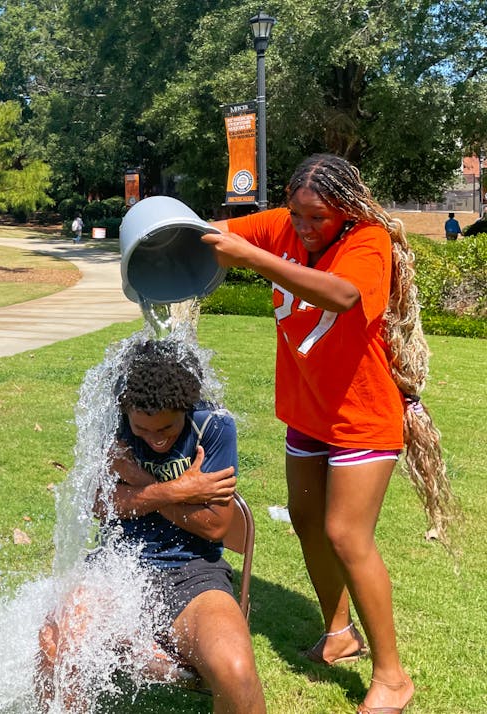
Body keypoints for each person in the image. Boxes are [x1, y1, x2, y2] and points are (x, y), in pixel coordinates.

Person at [201, 153, 456, 714]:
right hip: (308, 410)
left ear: (343, 211)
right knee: (305, 518)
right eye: (297, 214)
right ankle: (339, 633)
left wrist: (254, 259)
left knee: (346, 533)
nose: (304, 227)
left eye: (317, 217)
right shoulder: (282, 225)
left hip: (362, 412)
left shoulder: (368, 242)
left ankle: (392, 677)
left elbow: (341, 296)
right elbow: (212, 233)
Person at [36, 339, 266, 714]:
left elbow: (215, 526)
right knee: (54, 644)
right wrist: (180, 489)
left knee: (237, 672)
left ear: (185, 409)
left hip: (193, 574)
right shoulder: (112, 423)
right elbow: (102, 505)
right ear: (126, 412)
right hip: (117, 566)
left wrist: (138, 480)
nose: (156, 439)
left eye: (167, 429)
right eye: (143, 429)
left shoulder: (213, 426)